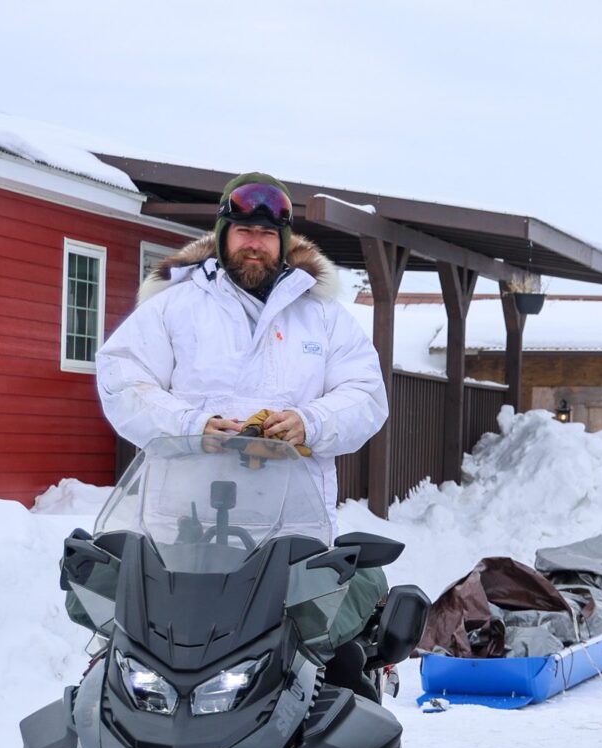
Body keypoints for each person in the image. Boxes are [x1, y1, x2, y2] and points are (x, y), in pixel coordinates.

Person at [94, 173, 388, 697]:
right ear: (223, 233)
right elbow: (121, 381)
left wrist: (310, 422)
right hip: (182, 544)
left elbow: (367, 396)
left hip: (292, 541)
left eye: (267, 234)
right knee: (131, 680)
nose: (255, 243)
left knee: (339, 688)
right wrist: (189, 426)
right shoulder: (173, 308)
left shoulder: (322, 318)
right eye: (244, 231)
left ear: (286, 241)